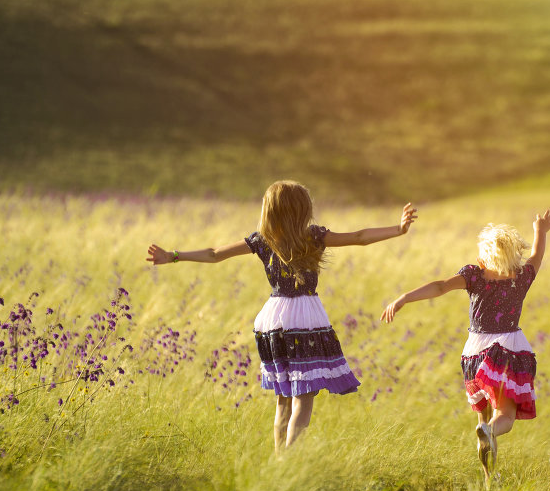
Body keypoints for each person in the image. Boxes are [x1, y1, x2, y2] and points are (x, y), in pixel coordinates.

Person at [147, 180, 417, 452]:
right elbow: (360, 237)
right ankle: (290, 460)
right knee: (304, 396)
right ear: (303, 209)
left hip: (272, 321)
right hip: (304, 319)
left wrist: (173, 256)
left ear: (270, 210)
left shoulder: (262, 240)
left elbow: (214, 254)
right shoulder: (314, 236)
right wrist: (399, 229)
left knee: (284, 398)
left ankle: (279, 460)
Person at [380, 210, 550, 483]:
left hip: (474, 354)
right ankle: (490, 440)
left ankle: (488, 478)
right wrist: (540, 231)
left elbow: (439, 287)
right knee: (503, 417)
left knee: (482, 422)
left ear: (484, 257)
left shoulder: (474, 275)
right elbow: (537, 255)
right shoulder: (521, 276)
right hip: (507, 351)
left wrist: (404, 298)